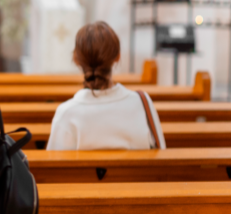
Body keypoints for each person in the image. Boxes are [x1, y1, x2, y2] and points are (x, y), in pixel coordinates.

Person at [47, 21, 166, 150]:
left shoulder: (66, 113)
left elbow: (54, 167)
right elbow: (161, 152)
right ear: (117, 57)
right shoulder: (142, 103)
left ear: (76, 60)